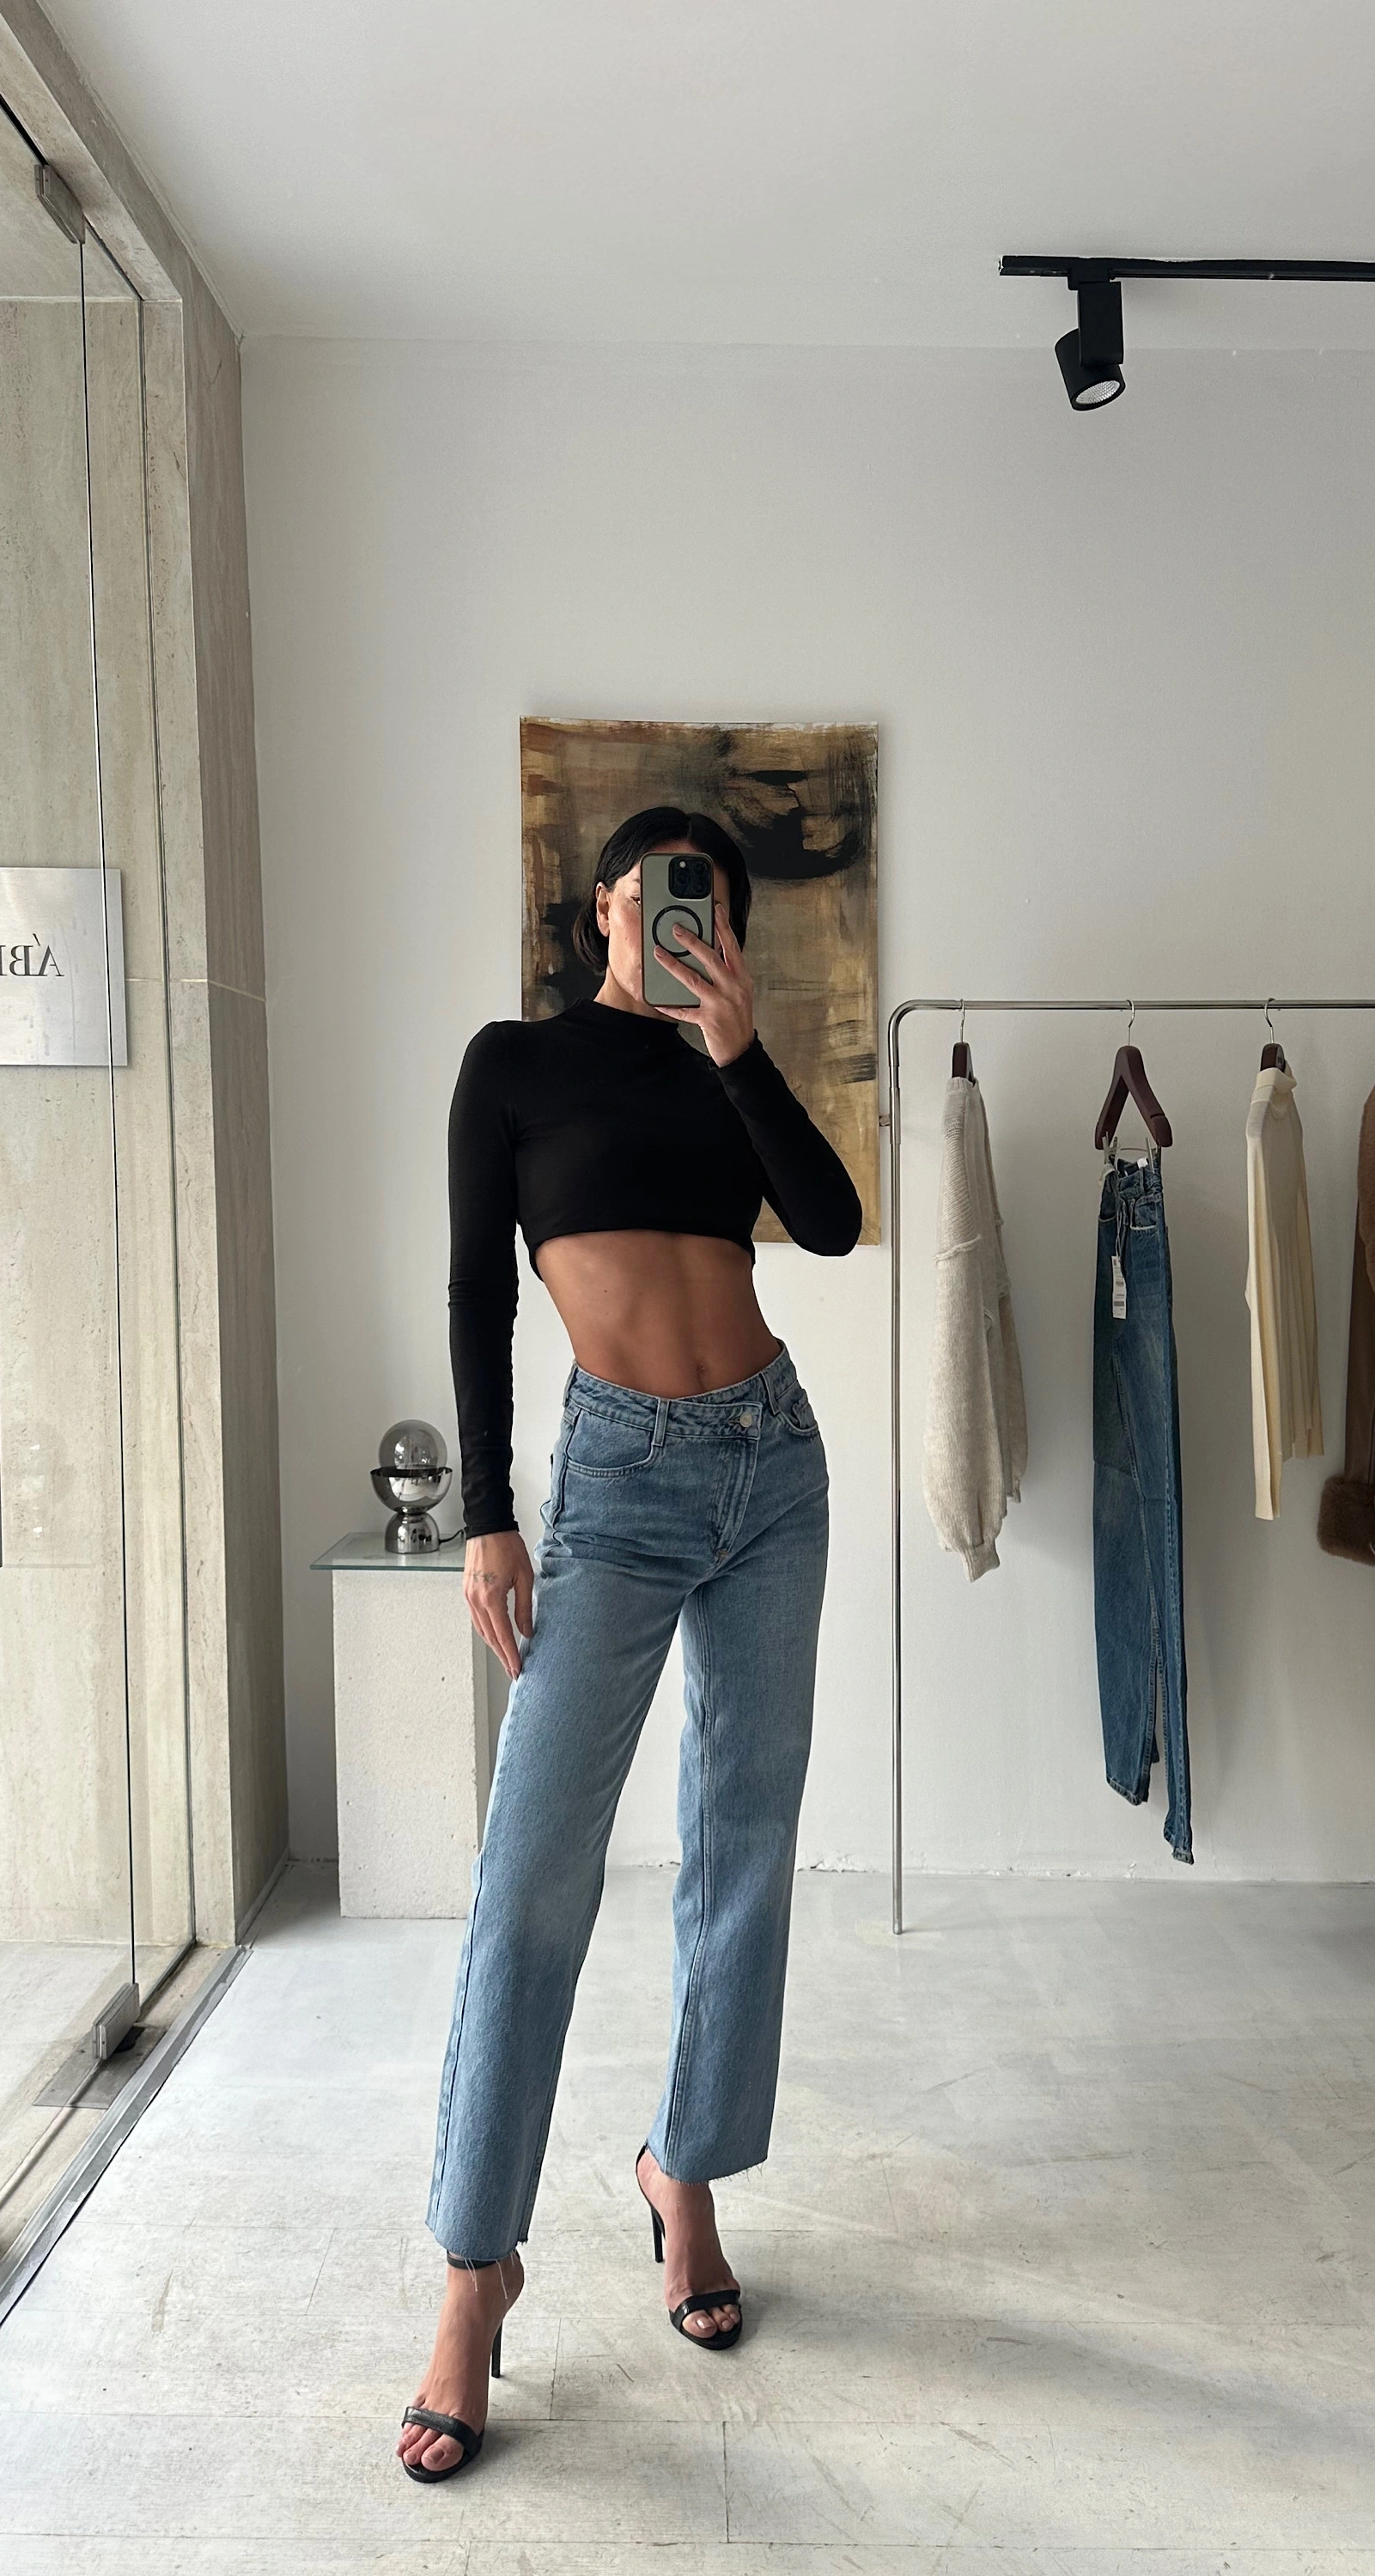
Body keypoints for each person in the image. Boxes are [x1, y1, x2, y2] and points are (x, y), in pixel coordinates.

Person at [399, 808, 862, 2482]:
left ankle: (687, 2173)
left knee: (742, 1848)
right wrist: (486, 1515)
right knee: (531, 1875)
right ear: (605, 903)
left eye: (712, 906)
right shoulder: (513, 1067)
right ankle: (476, 2273)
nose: (685, 920)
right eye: (664, 893)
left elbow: (829, 1224)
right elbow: (477, 1292)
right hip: (614, 1484)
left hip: (772, 1467)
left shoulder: (728, 1064)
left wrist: (742, 1054)